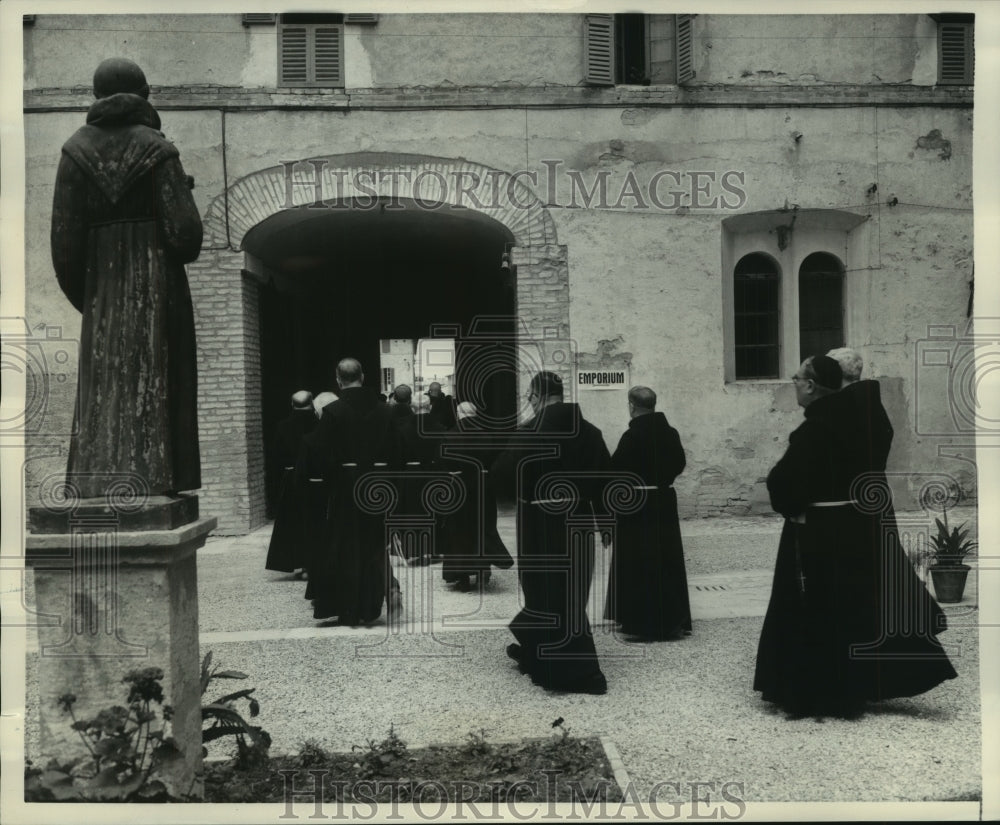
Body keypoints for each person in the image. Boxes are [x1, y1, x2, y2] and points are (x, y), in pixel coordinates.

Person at [754, 355, 957, 717]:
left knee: (816, 610)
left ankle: (817, 692)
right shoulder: (865, 419)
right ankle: (851, 685)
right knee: (849, 610)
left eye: (797, 378)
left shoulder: (817, 428)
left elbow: (788, 483)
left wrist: (782, 490)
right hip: (854, 525)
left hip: (818, 531)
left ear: (812, 385)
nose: (794, 383)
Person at [51, 58, 203, 499]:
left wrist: (96, 302)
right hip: (161, 293)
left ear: (96, 96)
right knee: (162, 383)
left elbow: (64, 249)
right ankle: (159, 481)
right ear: (145, 93)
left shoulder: (73, 153)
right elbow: (185, 238)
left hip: (102, 299)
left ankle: (95, 483)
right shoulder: (159, 150)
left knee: (101, 394)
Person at [492, 371, 611, 695]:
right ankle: (537, 653)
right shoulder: (591, 433)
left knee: (542, 592)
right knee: (572, 595)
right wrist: (604, 522)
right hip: (580, 521)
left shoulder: (529, 432)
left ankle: (574, 673)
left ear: (535, 397)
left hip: (540, 523)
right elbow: (606, 480)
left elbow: (502, 476)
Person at [301, 358, 399, 625]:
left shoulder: (333, 412)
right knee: (375, 543)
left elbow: (319, 451)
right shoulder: (386, 411)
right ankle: (372, 604)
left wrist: (330, 475)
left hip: (346, 486)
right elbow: (397, 451)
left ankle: (350, 606)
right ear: (363, 377)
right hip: (378, 485)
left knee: (345, 545)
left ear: (338, 378)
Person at [604, 386, 692, 640]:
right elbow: (679, 463)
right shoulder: (671, 433)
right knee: (666, 560)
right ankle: (671, 619)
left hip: (637, 504)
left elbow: (615, 470)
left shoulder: (631, 436)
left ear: (632, 405)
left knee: (639, 562)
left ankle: (642, 622)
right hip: (663, 501)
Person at [440, 402, 513, 590]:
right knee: (483, 527)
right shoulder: (488, 435)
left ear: (458, 415)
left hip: (459, 488)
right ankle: (483, 571)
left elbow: (443, 464)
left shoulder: (449, 436)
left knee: (459, 531)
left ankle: (462, 576)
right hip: (482, 487)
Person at [265, 391, 317, 574]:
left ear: (292, 404)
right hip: (314, 478)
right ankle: (311, 563)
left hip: (291, 478)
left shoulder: (282, 426)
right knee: (313, 520)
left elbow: (276, 457)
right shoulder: (318, 423)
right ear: (311, 403)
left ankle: (298, 561)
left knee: (294, 521)